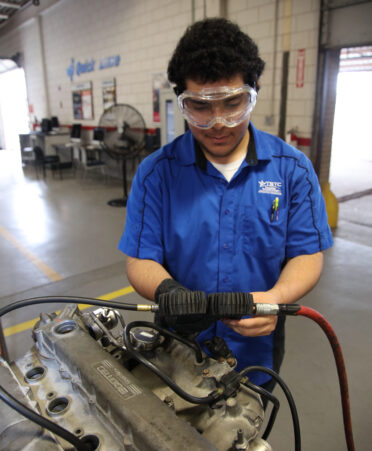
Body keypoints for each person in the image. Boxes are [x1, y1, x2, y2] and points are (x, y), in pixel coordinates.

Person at [118, 18, 333, 393]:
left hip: (257, 350)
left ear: (254, 91)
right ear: (181, 100)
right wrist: (168, 292)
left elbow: (308, 255)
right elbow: (139, 258)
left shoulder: (292, 170)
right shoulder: (156, 175)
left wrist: (275, 299)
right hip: (176, 347)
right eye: (199, 107)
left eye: (233, 104)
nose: (217, 123)